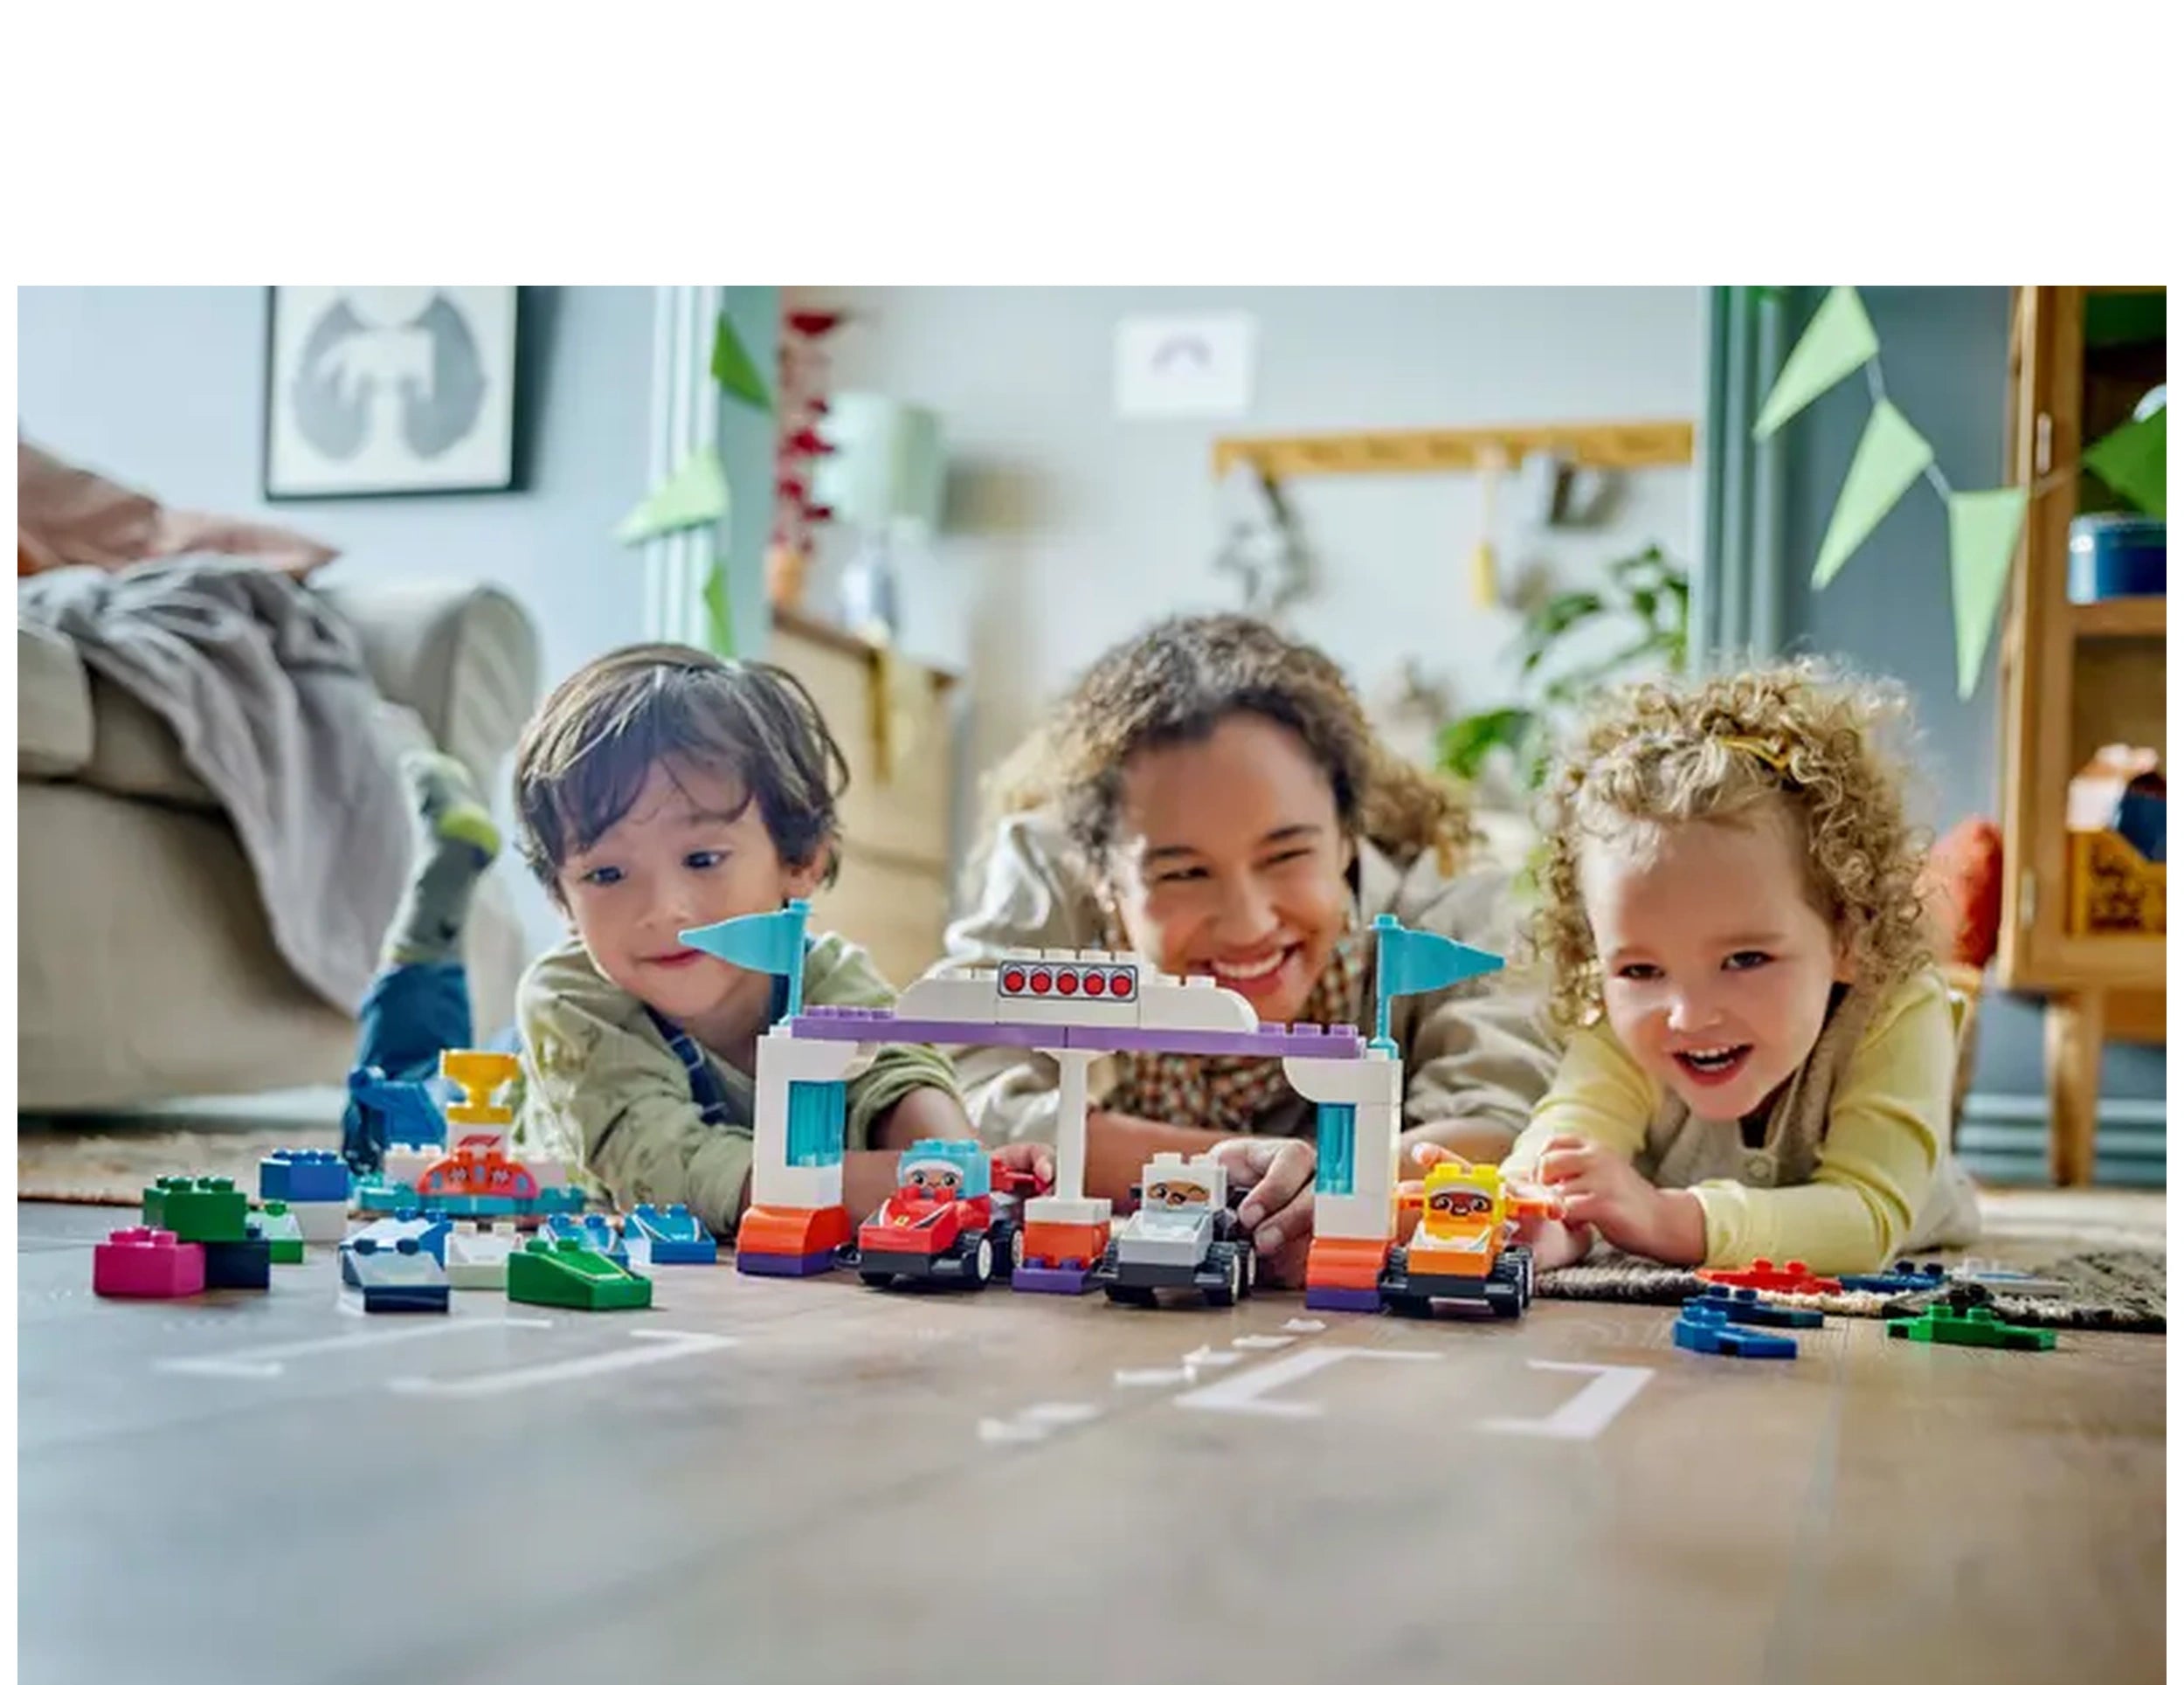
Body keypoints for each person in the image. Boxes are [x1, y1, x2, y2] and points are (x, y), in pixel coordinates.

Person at [936, 614, 1559, 1285]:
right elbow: (965, 1096)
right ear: (1101, 876)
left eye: (1287, 854)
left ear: (1350, 834)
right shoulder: (1046, 875)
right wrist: (1260, 1173)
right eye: (1183, 873)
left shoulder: (1452, 915)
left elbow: (1499, 1124)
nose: (1247, 924)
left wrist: (1333, 1186)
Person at [346, 645, 1048, 1233]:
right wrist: (886, 1185)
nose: (662, 909)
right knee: (393, 1103)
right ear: (562, 895)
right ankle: (431, 910)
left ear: (800, 862)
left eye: (703, 860)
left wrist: (959, 1164)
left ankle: (445, 880)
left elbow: (898, 1077)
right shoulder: (569, 994)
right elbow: (665, 1167)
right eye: (607, 873)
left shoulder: (828, 973)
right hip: (499, 1106)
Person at [1500, 661, 1980, 1274]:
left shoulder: (1898, 1005)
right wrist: (1534, 1216)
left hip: (1917, 1223)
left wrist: (1662, 1219)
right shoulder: (1619, 1018)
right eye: (1641, 970)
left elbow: (1866, 1221)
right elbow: (1562, 1141)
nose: (1689, 1013)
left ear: (1848, 935)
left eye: (1745, 959)